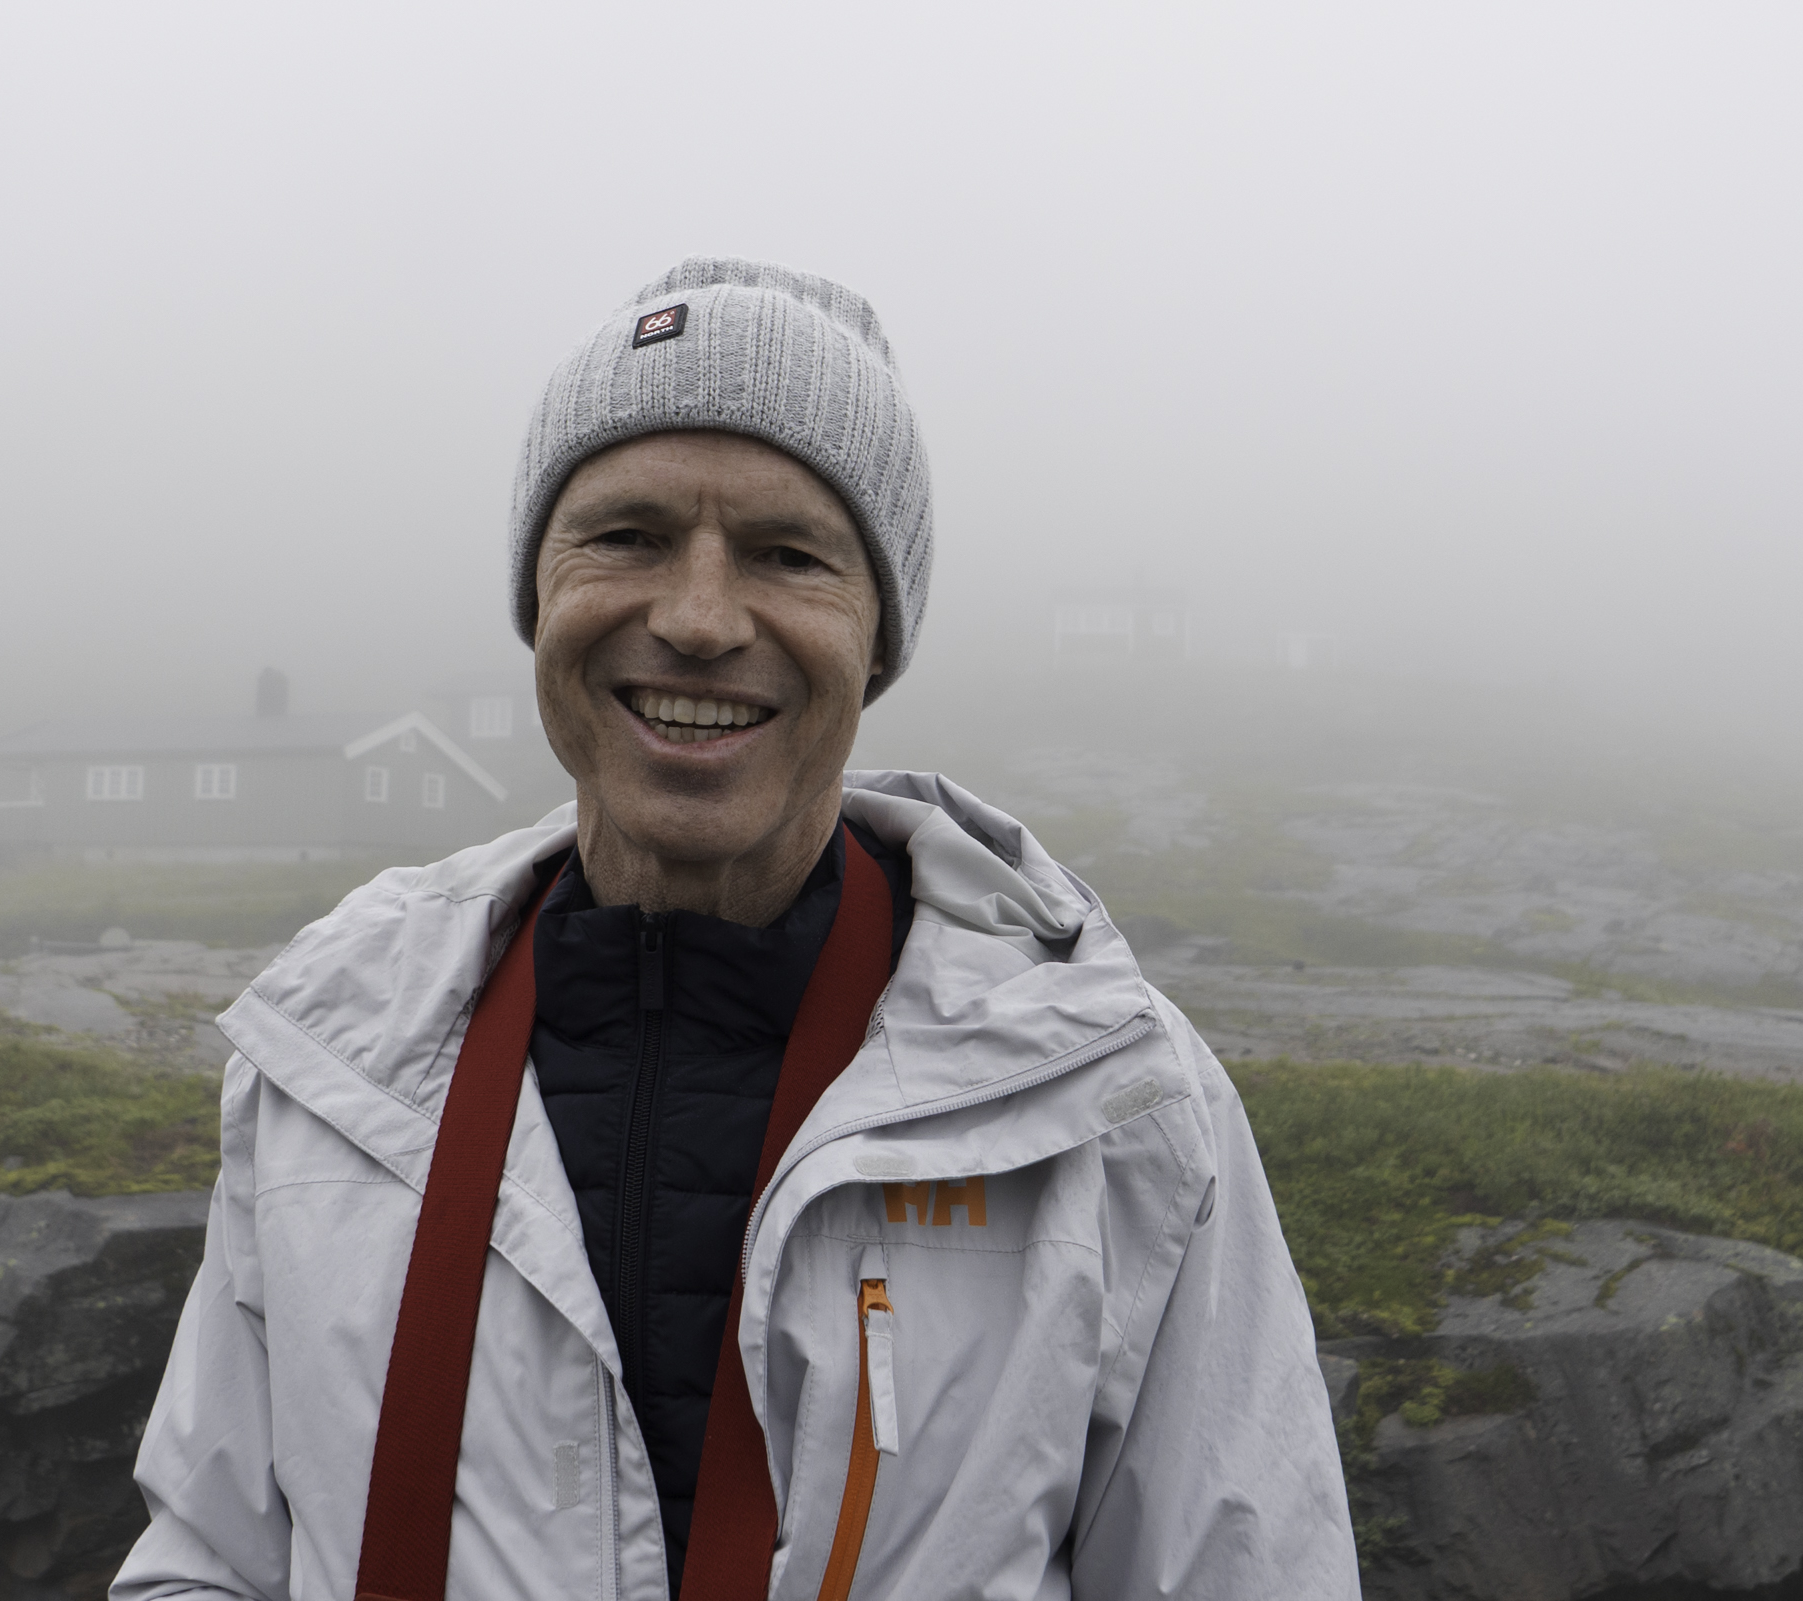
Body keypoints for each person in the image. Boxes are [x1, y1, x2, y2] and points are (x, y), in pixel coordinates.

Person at [110, 258, 1358, 1601]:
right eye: (627, 535)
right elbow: (209, 1559)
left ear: (876, 637)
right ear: (538, 599)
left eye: (788, 555)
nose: (699, 619)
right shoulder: (330, 1059)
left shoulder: (1115, 1103)